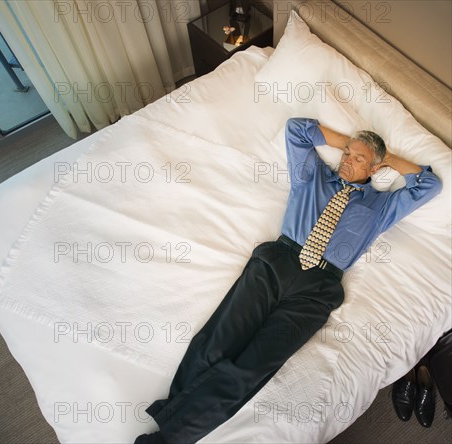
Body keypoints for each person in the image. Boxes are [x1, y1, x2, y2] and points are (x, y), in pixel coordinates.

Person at [134, 117, 442, 444]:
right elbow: (297, 129)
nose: (347, 160)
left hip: (318, 288)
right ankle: (171, 433)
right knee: (217, 342)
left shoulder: (381, 206)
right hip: (278, 262)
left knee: (255, 366)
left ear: (374, 167)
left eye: (358, 158)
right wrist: (349, 142)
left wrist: (387, 159)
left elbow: (429, 185)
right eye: (346, 154)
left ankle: (167, 434)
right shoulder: (313, 177)